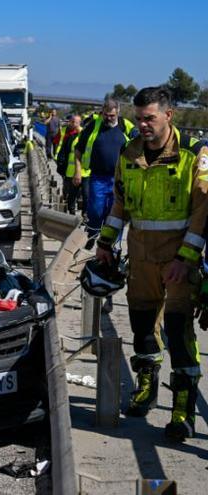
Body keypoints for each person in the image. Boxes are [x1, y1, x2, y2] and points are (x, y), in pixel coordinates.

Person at [94, 86, 208, 442]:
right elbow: (120, 204)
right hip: (140, 258)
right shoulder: (128, 154)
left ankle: (183, 407)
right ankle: (146, 386)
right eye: (139, 118)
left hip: (178, 262)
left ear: (168, 116)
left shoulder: (194, 154)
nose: (142, 125)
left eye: (150, 118)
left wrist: (185, 259)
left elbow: (203, 211)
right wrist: (105, 243)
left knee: (178, 330)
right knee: (142, 326)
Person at [74, 99, 138, 247]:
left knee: (115, 215)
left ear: (118, 113)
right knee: (95, 211)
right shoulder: (94, 126)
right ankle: (90, 239)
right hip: (98, 178)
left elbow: (142, 143)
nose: (108, 118)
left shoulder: (125, 126)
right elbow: (78, 149)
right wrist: (78, 170)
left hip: (120, 180)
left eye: (112, 116)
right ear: (102, 112)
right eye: (106, 115)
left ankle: (112, 247)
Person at [56, 114, 84, 215]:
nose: (72, 124)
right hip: (68, 170)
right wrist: (60, 162)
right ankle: (71, 209)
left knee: (81, 193)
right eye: (71, 121)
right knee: (70, 193)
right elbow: (61, 147)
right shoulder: (67, 133)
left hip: (81, 171)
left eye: (75, 122)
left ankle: (80, 212)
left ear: (79, 123)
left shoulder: (83, 135)